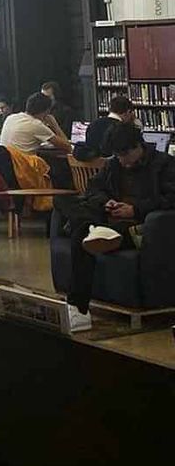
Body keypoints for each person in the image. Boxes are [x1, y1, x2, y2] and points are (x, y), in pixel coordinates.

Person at [54, 123, 175, 325]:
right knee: (62, 201)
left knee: (81, 232)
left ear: (139, 145)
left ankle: (78, 308)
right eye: (118, 155)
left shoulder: (164, 165)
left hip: (138, 225)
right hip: (109, 216)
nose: (123, 160)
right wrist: (105, 203)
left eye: (126, 154)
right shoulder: (114, 164)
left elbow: (170, 198)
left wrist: (134, 208)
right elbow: (94, 188)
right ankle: (93, 227)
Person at [0, 92, 73, 154]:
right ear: (46, 111)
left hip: (7, 167)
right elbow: (67, 146)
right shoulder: (36, 125)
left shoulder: (11, 117)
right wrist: (55, 125)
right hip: (23, 167)